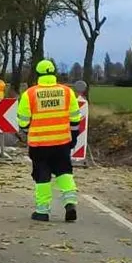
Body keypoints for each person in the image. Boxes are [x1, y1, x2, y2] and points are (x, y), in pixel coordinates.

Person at [17, 60, 82, 222]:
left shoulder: (30, 94)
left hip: (39, 144)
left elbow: (23, 121)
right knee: (64, 172)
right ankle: (70, 202)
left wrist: (27, 132)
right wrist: (73, 137)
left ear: (38, 75)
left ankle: (42, 211)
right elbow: (75, 119)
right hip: (61, 142)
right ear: (54, 73)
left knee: (42, 176)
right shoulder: (67, 92)